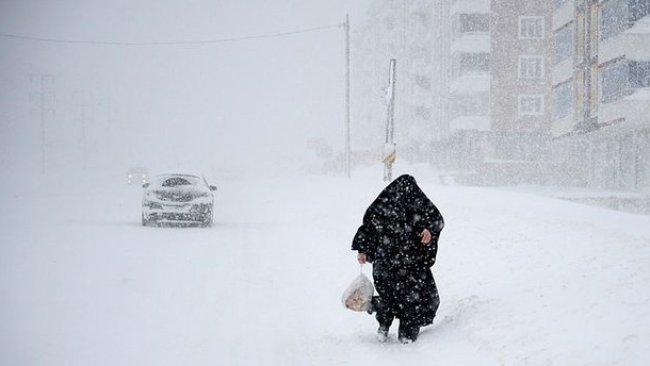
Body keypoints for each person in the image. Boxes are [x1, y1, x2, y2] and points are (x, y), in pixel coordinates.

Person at [351, 174, 444, 343]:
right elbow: (368, 228)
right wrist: (363, 250)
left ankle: (398, 329)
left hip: (406, 263)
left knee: (402, 297)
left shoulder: (407, 204)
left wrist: (429, 230)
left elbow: (436, 220)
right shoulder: (385, 207)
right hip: (394, 262)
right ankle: (395, 330)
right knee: (403, 297)